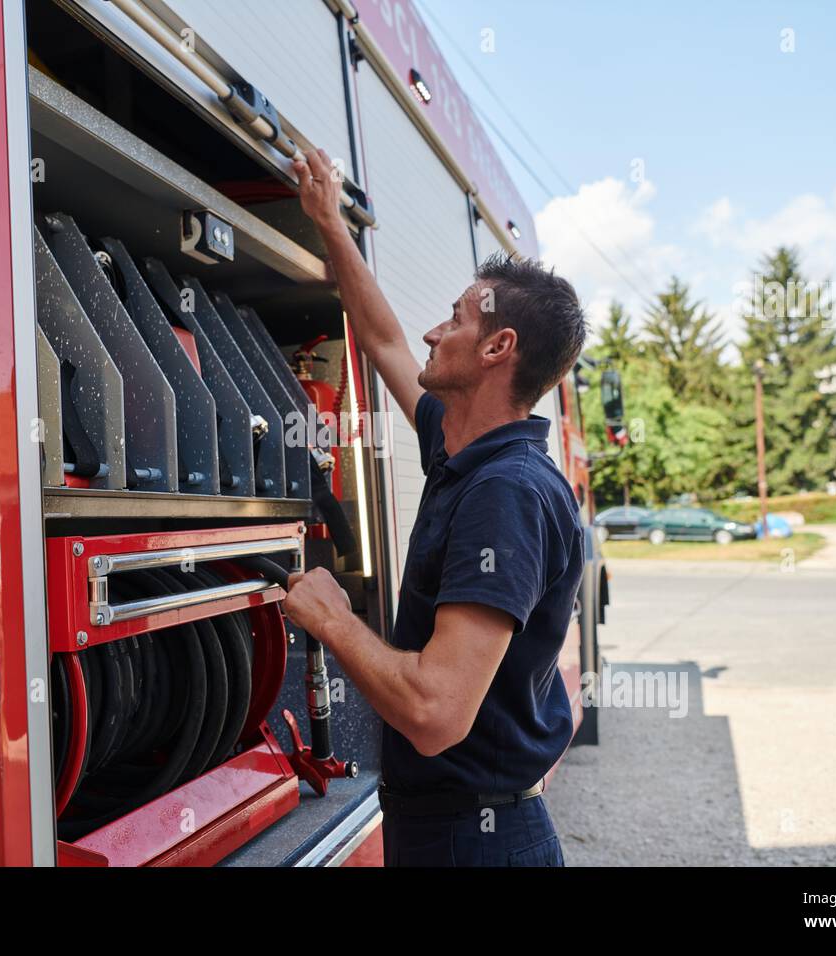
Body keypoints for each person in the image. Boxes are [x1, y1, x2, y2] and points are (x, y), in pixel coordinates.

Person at [281, 148, 588, 867]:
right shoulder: (463, 450)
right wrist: (329, 222)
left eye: (453, 319)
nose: (432, 331)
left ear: (498, 347)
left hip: (472, 844)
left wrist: (331, 618)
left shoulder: (505, 493)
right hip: (449, 832)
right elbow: (383, 336)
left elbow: (434, 712)